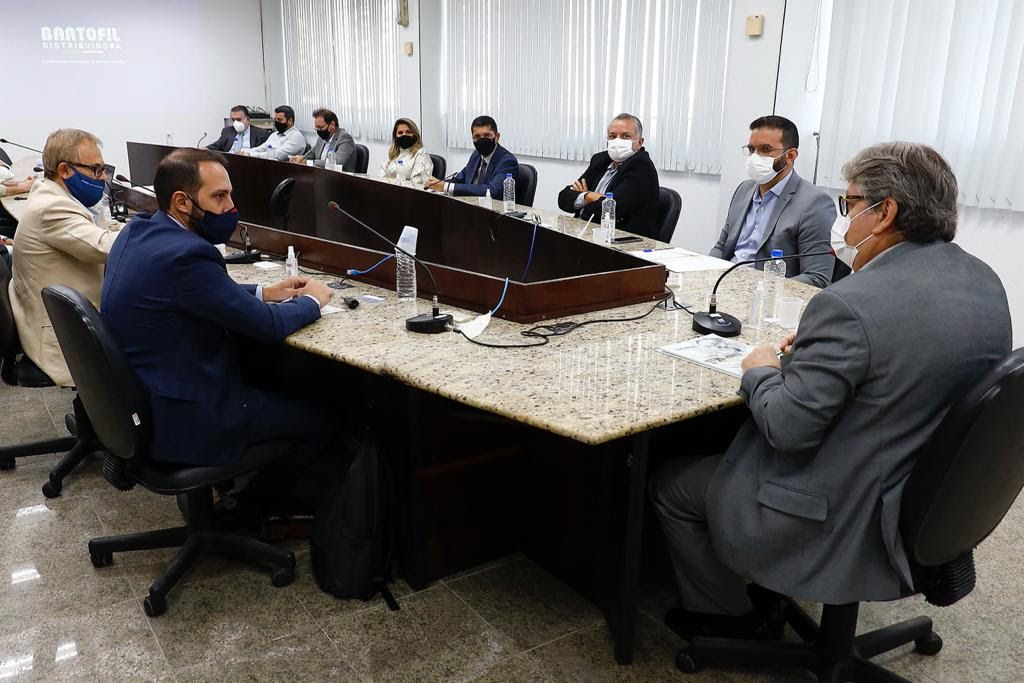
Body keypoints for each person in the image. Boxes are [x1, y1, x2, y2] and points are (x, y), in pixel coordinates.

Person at [650, 142, 1011, 641]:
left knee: (671, 484)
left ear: (885, 213)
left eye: (850, 203)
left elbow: (787, 429)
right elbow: (906, 360)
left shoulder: (849, 303)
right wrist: (823, 348)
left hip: (847, 509)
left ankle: (732, 617)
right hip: (926, 498)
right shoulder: (984, 281)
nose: (844, 219)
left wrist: (761, 369)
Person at [101, 148, 343, 504]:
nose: (231, 206)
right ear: (182, 202)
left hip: (146, 402)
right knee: (326, 419)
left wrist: (264, 292)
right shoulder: (188, 255)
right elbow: (267, 326)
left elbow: (191, 292)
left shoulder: (138, 231)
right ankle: (250, 510)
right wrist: (313, 301)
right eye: (219, 197)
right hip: (190, 418)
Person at [8, 128, 123, 386]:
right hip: (64, 338)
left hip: (64, 317)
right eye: (96, 170)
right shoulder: (51, 207)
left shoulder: (57, 196)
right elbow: (104, 246)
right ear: (64, 170)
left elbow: (103, 228)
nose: (103, 177)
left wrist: (139, 227)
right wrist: (157, 233)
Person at [709, 115, 836, 288]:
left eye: (765, 149)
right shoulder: (743, 190)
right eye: (751, 149)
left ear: (790, 155)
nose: (755, 157)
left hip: (768, 294)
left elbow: (817, 278)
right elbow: (721, 247)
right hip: (725, 284)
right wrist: (704, 272)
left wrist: (761, 289)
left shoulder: (814, 203)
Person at [556, 113, 659, 235]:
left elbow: (609, 211)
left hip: (618, 239)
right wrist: (589, 196)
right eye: (612, 136)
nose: (618, 141)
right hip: (585, 232)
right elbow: (563, 198)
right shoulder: (600, 160)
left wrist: (582, 202)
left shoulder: (642, 167)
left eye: (626, 136)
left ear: (640, 142)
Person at [424, 115, 518, 197]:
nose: (482, 140)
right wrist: (436, 183)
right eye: (477, 136)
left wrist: (445, 187)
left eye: (487, 135)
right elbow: (459, 180)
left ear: (497, 137)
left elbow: (493, 192)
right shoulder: (476, 155)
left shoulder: (507, 161)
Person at [289, 108, 354, 169]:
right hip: (320, 174)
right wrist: (300, 159)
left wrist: (308, 162)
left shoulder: (345, 138)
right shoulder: (321, 139)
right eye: (316, 128)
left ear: (332, 124)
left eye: (320, 127)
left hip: (340, 176)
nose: (319, 131)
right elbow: (310, 155)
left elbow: (336, 163)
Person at [240, 105, 306, 161]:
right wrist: (244, 152)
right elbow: (261, 148)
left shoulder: (296, 137)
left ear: (290, 121)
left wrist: (250, 155)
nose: (276, 122)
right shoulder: (275, 134)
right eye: (275, 119)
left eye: (279, 119)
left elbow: (278, 155)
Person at [380, 118, 432, 186]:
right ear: (395, 136)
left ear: (415, 135)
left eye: (408, 132)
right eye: (400, 133)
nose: (404, 135)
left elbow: (417, 184)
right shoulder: (394, 153)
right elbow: (382, 175)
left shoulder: (421, 154)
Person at [207, 105, 271, 153]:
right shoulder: (227, 131)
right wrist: (203, 150)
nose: (235, 123)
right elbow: (215, 146)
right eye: (233, 120)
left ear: (247, 119)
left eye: (238, 119)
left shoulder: (261, 133)